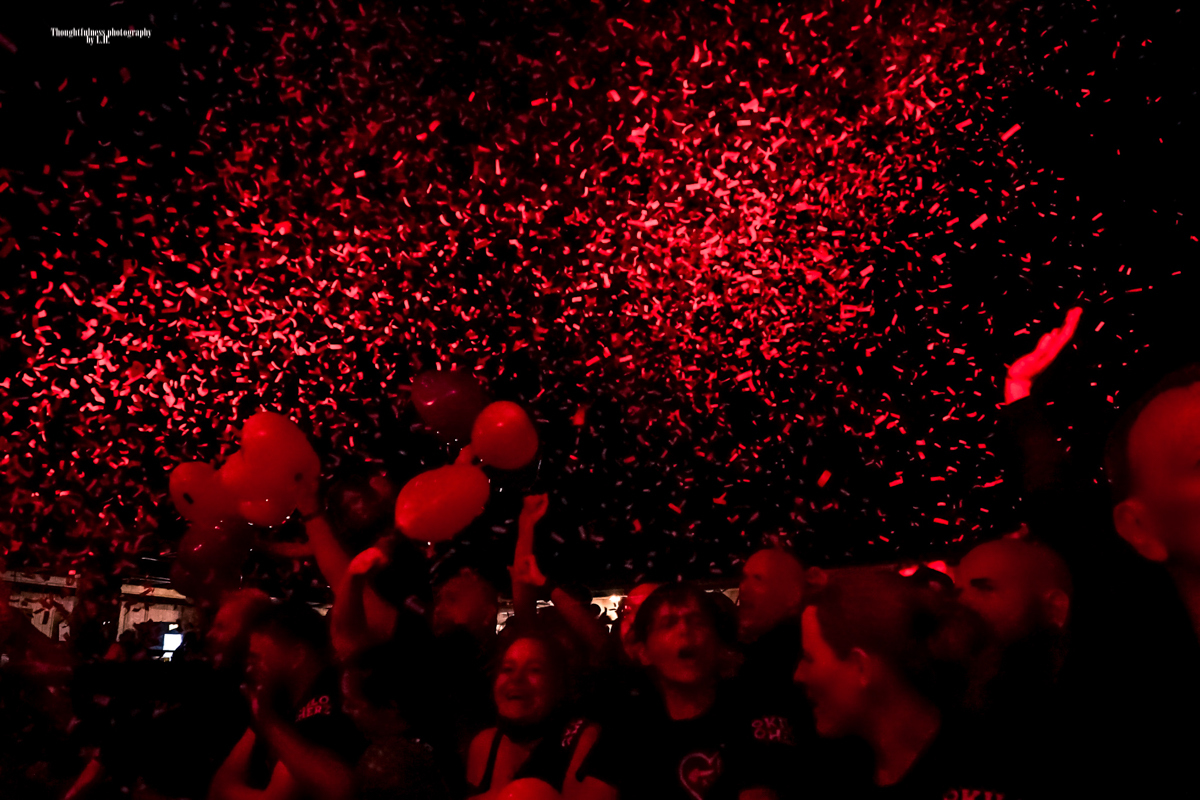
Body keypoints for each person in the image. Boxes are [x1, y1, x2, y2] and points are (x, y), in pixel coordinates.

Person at [793, 569, 1026, 798]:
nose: (798, 675)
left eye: (808, 658)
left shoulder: (982, 768)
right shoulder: (834, 768)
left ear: (860, 667)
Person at [572, 583, 792, 800]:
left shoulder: (755, 713)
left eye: (697, 622)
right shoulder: (630, 724)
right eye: (668, 623)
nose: (684, 630)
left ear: (718, 642)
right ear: (643, 651)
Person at [209, 600, 366, 800]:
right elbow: (218, 786)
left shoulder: (326, 700)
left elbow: (276, 798)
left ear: (297, 655)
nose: (249, 667)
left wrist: (267, 721)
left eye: (257, 658)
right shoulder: (276, 700)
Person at [467, 631, 596, 799]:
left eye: (535, 670)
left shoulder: (581, 740)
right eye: (507, 669)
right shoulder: (485, 744)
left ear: (559, 684)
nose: (516, 678)